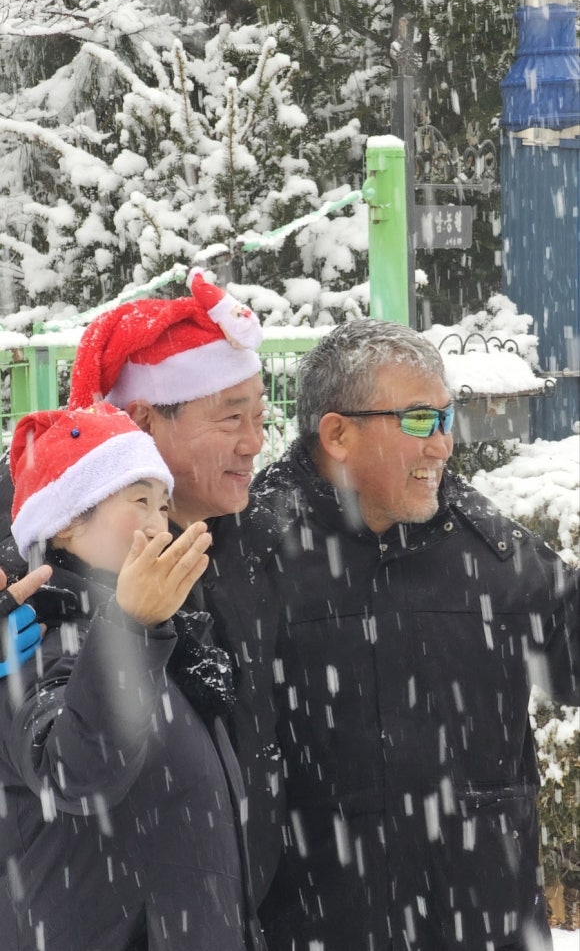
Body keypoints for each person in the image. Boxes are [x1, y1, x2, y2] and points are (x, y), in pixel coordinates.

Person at [247, 319, 579, 951]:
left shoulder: (487, 549)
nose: (443, 445)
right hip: (317, 929)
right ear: (337, 434)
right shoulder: (251, 559)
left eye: (446, 418)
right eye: (421, 420)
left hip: (483, 929)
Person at [0, 268, 284, 905]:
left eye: (261, 416)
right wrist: (129, 626)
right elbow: (72, 766)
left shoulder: (263, 538)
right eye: (230, 418)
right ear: (143, 421)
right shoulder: (35, 573)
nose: (255, 442)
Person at [0, 402, 266, 950]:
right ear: (67, 520)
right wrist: (132, 626)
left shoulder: (163, 640)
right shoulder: (32, 638)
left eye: (163, 504)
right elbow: (74, 772)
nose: (157, 521)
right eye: (139, 500)